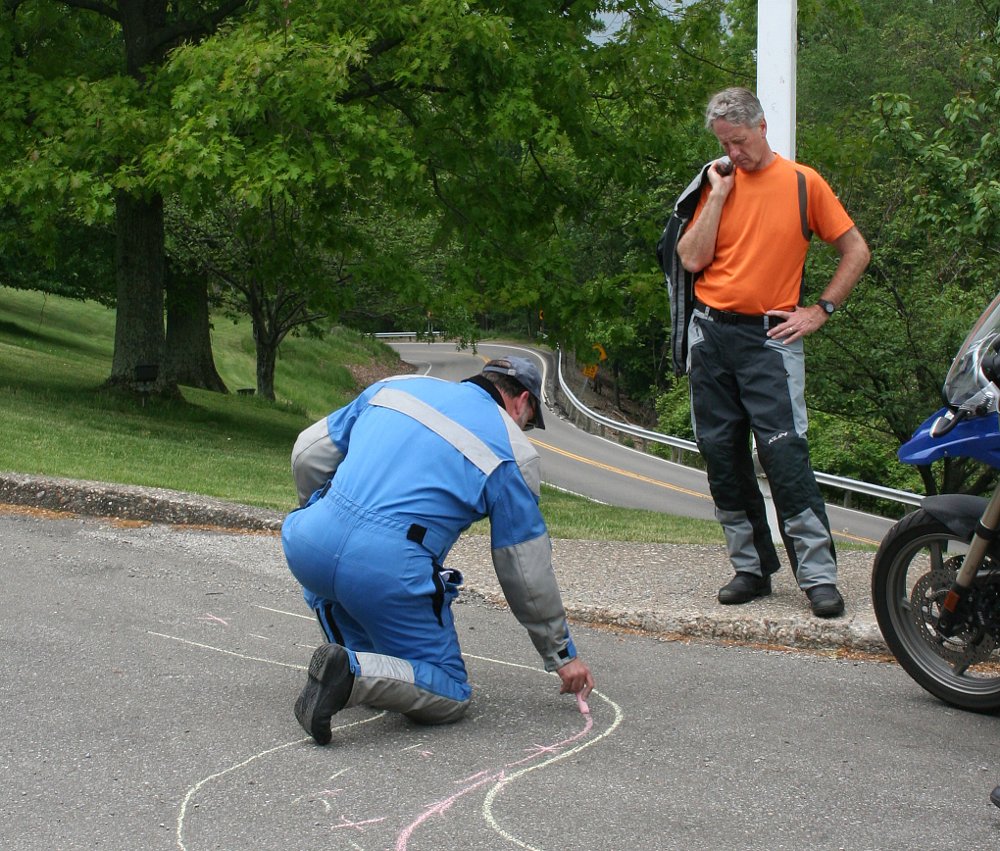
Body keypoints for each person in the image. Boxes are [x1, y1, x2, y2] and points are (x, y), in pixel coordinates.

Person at [281, 355, 595, 744]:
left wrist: (316, 513)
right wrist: (561, 655)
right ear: (522, 401)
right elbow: (524, 569)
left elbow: (308, 452)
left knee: (373, 636)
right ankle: (350, 675)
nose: (524, 430)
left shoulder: (396, 387)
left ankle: (347, 656)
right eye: (528, 422)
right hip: (385, 571)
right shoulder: (513, 451)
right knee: (449, 691)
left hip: (307, 542)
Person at [675, 87, 870, 618]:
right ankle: (751, 568)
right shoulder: (716, 183)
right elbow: (691, 260)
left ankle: (819, 576)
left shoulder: (804, 184)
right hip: (711, 337)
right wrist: (716, 196)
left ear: (761, 127)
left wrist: (820, 311)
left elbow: (856, 250)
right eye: (723, 144)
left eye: (738, 141)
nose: (732, 153)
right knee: (721, 455)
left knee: (784, 455)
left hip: (771, 339)